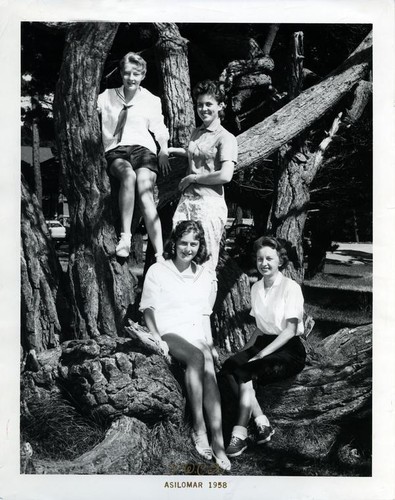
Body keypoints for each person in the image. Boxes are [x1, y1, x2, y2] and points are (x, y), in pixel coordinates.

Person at [140, 220, 231, 471]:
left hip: (194, 332)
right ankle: (199, 430)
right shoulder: (158, 270)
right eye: (183, 242)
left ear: (199, 246)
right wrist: (156, 336)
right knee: (197, 358)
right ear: (174, 243)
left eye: (194, 243)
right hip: (169, 330)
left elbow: (204, 315)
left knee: (209, 366)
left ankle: (219, 442)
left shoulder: (206, 276)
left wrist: (210, 344)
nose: (188, 248)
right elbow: (148, 307)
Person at [221, 236, 306, 458]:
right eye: (260, 259)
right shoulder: (256, 287)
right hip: (264, 341)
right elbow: (259, 329)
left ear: (280, 260)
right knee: (229, 367)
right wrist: (243, 352)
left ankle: (239, 435)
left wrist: (259, 355)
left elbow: (289, 331)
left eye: (270, 258)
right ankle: (261, 422)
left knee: (246, 372)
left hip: (289, 348)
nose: (264, 263)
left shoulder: (291, 287)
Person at [98, 52, 170, 259]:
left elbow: (159, 126)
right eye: (127, 73)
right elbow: (89, 110)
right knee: (128, 177)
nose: (131, 78)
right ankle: (126, 237)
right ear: (121, 73)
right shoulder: (106, 96)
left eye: (136, 74)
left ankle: (159, 255)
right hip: (117, 150)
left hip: (144, 150)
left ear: (143, 76)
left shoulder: (151, 100)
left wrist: (163, 149)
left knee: (145, 192)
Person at [169, 80, 237, 271]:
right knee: (180, 256)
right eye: (200, 104)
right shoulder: (196, 133)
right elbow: (196, 153)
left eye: (209, 104)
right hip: (187, 201)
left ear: (220, 106)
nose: (203, 109)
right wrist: (171, 150)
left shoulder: (226, 137)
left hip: (209, 202)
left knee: (206, 261)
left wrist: (194, 178)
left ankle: (205, 300)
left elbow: (226, 175)